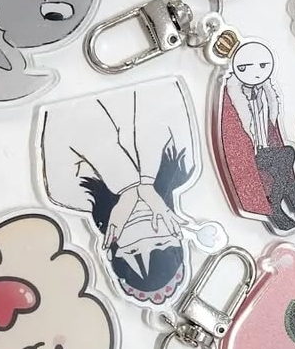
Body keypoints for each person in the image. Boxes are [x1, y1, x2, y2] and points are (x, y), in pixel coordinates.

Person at [40, 79, 200, 307]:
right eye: (160, 242)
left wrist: (128, 188)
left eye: (132, 249)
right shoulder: (182, 164)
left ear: (111, 247)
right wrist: (144, 183)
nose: (144, 232)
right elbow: (158, 90)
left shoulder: (67, 192)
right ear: (177, 233)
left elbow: (69, 114)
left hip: (69, 82)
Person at [216, 39, 295, 233]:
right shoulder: (232, 97)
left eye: (262, 66)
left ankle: (281, 207)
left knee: (283, 163)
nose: (256, 73)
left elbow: (271, 123)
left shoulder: (265, 92)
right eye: (245, 67)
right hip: (253, 154)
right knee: (287, 156)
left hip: (269, 148)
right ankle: (292, 207)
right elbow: (232, 135)